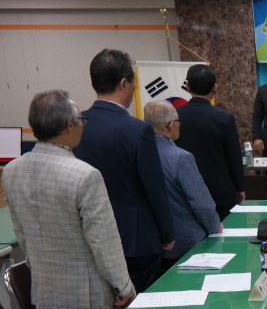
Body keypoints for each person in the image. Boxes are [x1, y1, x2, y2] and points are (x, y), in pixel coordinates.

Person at [3, 90, 135, 309]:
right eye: (81, 121)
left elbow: (22, 233)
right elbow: (104, 242)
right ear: (68, 124)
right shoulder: (84, 175)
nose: (83, 127)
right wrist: (123, 286)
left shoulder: (12, 171)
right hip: (90, 297)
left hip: (48, 291)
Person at [74, 48, 175, 292]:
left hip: (90, 239)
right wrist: (167, 234)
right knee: (141, 305)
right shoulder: (138, 130)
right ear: (123, 84)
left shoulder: (75, 126)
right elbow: (154, 187)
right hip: (137, 241)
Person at [145, 100, 222, 275]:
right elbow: (201, 203)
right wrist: (214, 225)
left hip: (154, 244)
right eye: (178, 122)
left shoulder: (139, 153)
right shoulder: (180, 157)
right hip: (188, 244)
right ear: (171, 125)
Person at [176, 64, 245, 220]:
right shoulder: (224, 118)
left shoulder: (175, 116)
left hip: (185, 191)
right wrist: (240, 187)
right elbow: (233, 156)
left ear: (188, 86)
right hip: (220, 192)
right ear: (215, 88)